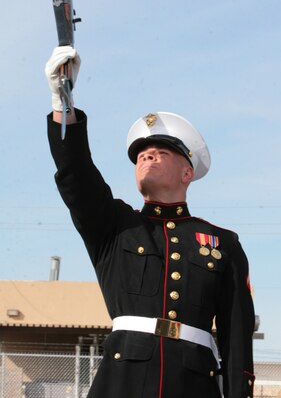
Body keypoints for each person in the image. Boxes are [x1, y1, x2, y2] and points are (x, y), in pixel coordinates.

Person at [45, 46, 255, 398]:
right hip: (121, 382)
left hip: (194, 385)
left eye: (162, 151)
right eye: (141, 154)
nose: (148, 155)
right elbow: (76, 175)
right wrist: (61, 102)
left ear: (187, 172)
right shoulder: (114, 226)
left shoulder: (223, 244)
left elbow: (237, 340)